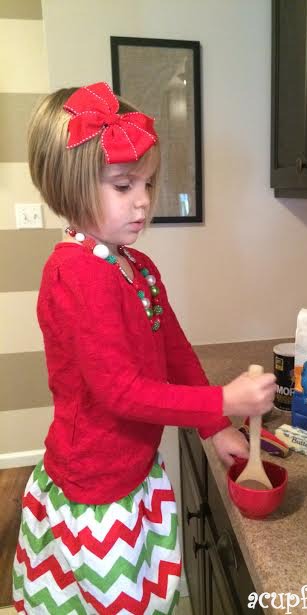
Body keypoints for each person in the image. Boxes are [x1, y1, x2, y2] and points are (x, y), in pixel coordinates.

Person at [12, 82, 276, 614]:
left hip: (132, 471)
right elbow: (121, 393)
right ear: (70, 185)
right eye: (123, 184)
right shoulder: (75, 275)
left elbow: (174, 352)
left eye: (148, 183)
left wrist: (214, 427)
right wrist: (224, 401)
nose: (143, 200)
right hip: (95, 488)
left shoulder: (135, 265)